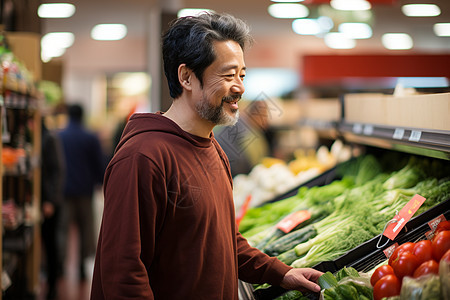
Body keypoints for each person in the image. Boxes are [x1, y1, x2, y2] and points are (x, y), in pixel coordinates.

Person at [91, 12, 322, 299]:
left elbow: (223, 240)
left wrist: (281, 273)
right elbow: (122, 274)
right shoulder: (142, 158)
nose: (240, 87)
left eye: (242, 75)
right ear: (187, 77)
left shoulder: (213, 149)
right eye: (228, 75)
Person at [58, 103, 106, 280]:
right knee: (85, 230)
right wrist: (101, 182)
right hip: (85, 190)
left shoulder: (60, 136)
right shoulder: (90, 137)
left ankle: (60, 267)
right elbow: (98, 162)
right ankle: (81, 268)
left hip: (64, 191)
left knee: (63, 229)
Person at [40, 118, 65, 299]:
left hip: (48, 201)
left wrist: (51, 200)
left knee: (50, 244)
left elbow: (57, 170)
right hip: (39, 200)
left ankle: (52, 286)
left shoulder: (49, 138)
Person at [215, 100, 271, 177]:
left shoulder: (240, 123)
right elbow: (254, 163)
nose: (266, 121)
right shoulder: (245, 131)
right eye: (265, 116)